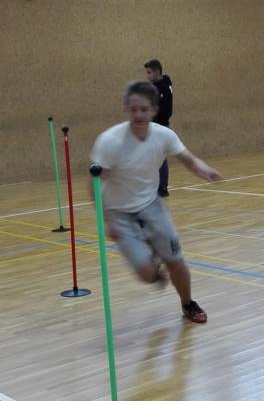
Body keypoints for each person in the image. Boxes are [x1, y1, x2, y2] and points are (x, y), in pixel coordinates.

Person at [90, 80, 222, 323]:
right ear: (126, 109)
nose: (138, 115)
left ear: (154, 110)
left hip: (151, 205)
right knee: (146, 275)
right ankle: (153, 265)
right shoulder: (110, 141)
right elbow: (94, 184)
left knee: (176, 261)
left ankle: (188, 304)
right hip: (119, 212)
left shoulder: (164, 135)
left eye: (144, 109)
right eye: (133, 109)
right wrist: (107, 220)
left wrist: (204, 169)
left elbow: (190, 160)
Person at [145, 59, 174, 197]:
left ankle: (162, 187)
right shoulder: (156, 87)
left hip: (161, 125)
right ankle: (155, 185)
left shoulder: (163, 88)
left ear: (157, 71)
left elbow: (165, 110)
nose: (147, 75)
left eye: (149, 72)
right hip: (153, 125)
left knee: (160, 158)